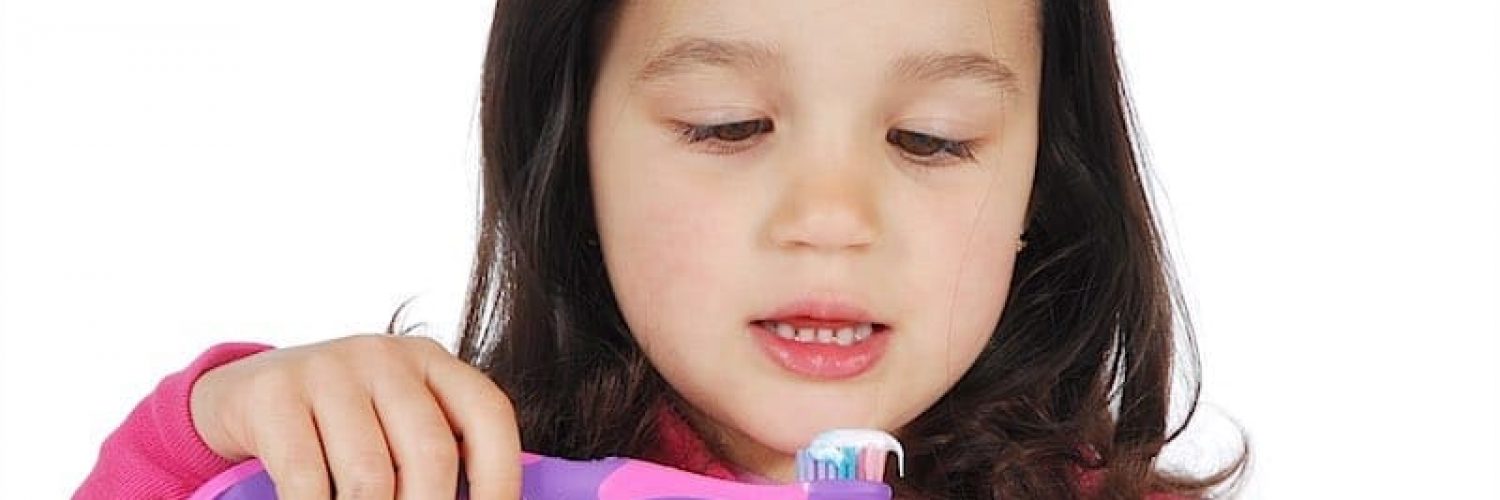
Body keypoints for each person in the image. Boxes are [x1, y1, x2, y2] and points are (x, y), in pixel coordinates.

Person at [76, 1, 1246, 498]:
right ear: (568, 141)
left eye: (931, 140)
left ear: (1047, 170)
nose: (832, 217)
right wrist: (210, 427)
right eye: (727, 125)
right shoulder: (444, 468)